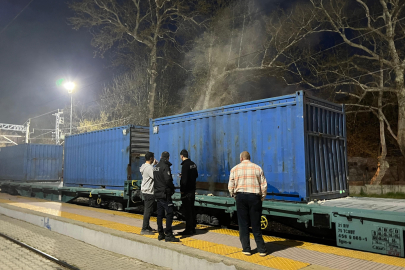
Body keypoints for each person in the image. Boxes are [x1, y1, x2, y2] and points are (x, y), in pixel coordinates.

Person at [228, 151, 268, 256]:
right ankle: (261, 250)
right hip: (254, 197)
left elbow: (230, 186)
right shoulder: (257, 168)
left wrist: (234, 196)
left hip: (241, 197)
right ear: (249, 158)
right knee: (256, 224)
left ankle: (246, 249)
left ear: (241, 158)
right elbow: (263, 185)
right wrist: (261, 197)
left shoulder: (234, 169)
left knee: (243, 224)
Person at [153, 151, 179, 242]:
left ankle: (160, 233)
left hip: (157, 193)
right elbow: (168, 180)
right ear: (168, 158)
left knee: (159, 214)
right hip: (165, 194)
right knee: (170, 213)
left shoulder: (156, 167)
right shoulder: (165, 167)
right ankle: (169, 234)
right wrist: (172, 188)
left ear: (161, 157)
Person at [178, 149, 198, 236]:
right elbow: (196, 175)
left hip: (186, 192)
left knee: (187, 211)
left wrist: (182, 191)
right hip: (193, 190)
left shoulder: (185, 165)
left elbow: (184, 181)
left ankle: (188, 229)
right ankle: (193, 227)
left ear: (182, 156)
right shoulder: (193, 164)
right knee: (192, 209)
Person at [139, 151, 157, 235]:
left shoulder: (144, 166)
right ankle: (144, 228)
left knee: (148, 210)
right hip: (149, 191)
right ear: (151, 158)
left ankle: (147, 226)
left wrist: (153, 165)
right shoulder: (149, 168)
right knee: (148, 210)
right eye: (153, 157)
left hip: (145, 190)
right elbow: (155, 176)